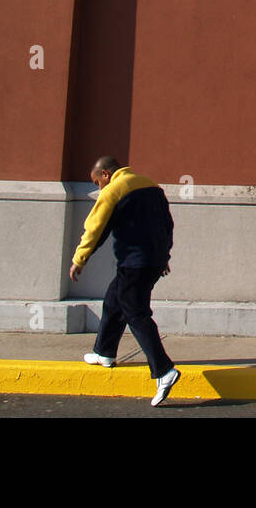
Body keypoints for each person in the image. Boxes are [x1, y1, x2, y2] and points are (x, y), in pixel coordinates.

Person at [69, 156, 181, 406]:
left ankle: (164, 370)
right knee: (113, 300)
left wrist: (80, 259)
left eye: (97, 182)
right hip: (152, 261)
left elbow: (95, 228)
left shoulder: (113, 191)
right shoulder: (152, 186)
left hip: (134, 263)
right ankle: (104, 352)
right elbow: (167, 225)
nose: (98, 188)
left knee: (136, 313)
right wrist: (164, 256)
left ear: (106, 174)